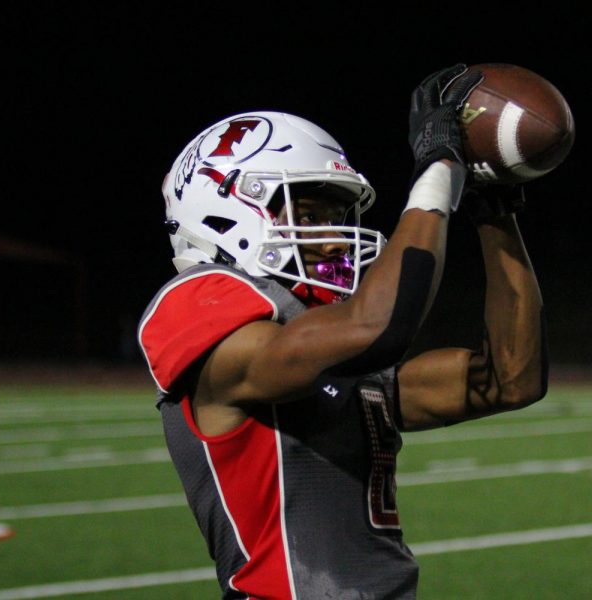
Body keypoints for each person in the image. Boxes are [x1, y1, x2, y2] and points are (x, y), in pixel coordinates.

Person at [137, 63, 548, 599]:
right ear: (225, 213)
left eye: (338, 216)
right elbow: (377, 327)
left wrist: (495, 216)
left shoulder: (323, 350)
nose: (334, 239)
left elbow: (510, 379)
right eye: (310, 215)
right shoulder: (202, 303)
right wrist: (438, 170)